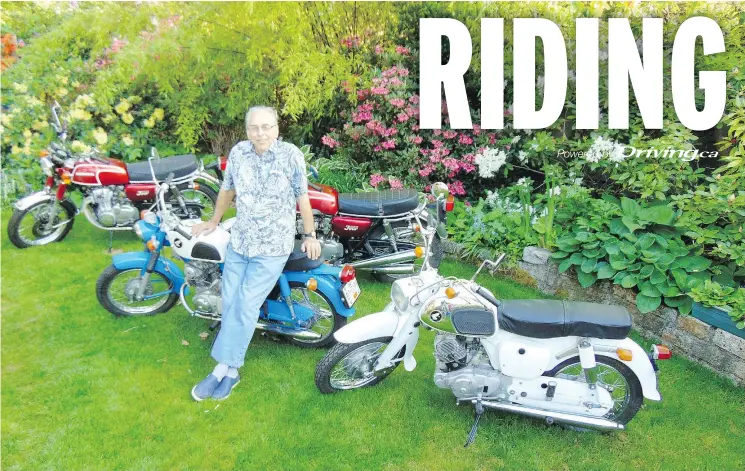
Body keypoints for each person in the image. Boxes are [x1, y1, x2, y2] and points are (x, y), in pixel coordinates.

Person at [188, 106, 321, 401]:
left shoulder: (290, 155)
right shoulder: (239, 153)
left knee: (246, 305)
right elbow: (227, 190)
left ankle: (224, 369)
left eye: (266, 127)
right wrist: (213, 221)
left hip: (272, 246)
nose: (260, 133)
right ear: (247, 130)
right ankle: (230, 370)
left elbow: (302, 197)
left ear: (276, 128)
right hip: (242, 242)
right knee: (231, 300)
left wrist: (310, 235)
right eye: (254, 128)